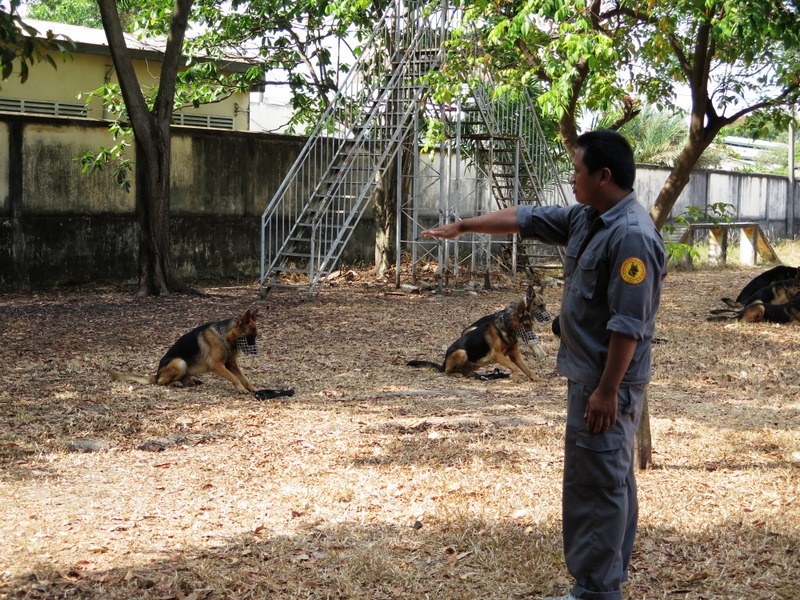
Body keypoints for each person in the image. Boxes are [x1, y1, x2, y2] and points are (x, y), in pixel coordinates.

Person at [422, 129, 666, 600]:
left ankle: (596, 590)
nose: (571, 178)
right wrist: (466, 226)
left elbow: (628, 325)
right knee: (609, 476)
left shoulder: (631, 235)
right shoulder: (587, 218)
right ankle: (606, 580)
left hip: (605, 383)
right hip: (587, 375)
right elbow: (524, 219)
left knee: (596, 482)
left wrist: (607, 390)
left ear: (604, 175)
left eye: (577, 170)